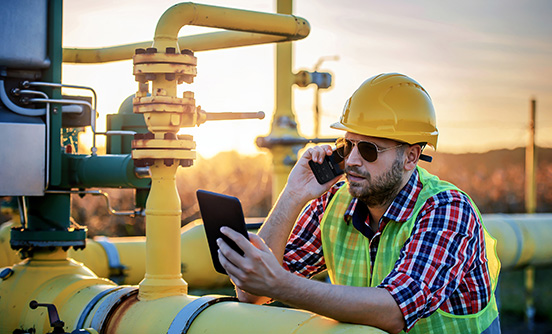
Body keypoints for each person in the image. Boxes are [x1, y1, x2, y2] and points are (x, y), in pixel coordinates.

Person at [217, 73, 501, 333]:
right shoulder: (335, 201)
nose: (352, 160)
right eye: (347, 145)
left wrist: (280, 283)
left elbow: (394, 311)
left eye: (368, 150)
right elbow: (253, 293)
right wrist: (293, 195)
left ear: (411, 157)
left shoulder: (447, 209)